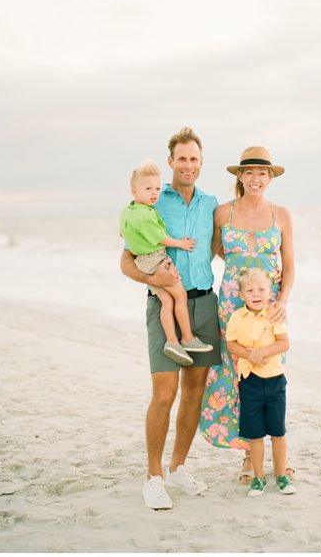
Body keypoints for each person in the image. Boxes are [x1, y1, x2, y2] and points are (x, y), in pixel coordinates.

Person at [120, 127, 221, 510]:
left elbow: (221, 248)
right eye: (182, 158)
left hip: (204, 304)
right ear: (171, 161)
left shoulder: (211, 204)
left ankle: (179, 467)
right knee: (164, 394)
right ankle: (153, 476)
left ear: (201, 162)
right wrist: (152, 279)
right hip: (163, 304)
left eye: (194, 158)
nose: (188, 164)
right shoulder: (150, 201)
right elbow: (126, 260)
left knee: (195, 393)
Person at [198, 145, 294, 484]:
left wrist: (281, 299)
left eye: (262, 173)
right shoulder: (224, 213)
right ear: (240, 176)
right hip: (231, 304)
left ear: (269, 178)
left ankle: (278, 455)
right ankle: (247, 458)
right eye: (249, 172)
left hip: (270, 307)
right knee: (239, 376)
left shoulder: (281, 214)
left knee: (271, 372)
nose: (256, 178)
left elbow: (291, 266)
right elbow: (212, 255)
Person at [120, 161, 213, 366]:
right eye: (148, 189)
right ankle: (187, 338)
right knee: (180, 296)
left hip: (143, 261)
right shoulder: (145, 215)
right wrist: (181, 244)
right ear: (134, 191)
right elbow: (161, 237)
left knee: (167, 301)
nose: (154, 193)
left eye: (156, 188)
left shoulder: (129, 211)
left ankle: (172, 341)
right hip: (156, 260)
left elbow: (122, 232)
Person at [224, 268, 296, 496]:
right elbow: (231, 344)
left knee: (278, 431)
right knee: (255, 434)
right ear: (242, 295)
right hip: (249, 381)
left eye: (262, 289)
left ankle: (282, 475)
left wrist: (263, 351)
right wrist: (250, 354)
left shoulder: (273, 314)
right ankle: (259, 477)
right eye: (250, 290)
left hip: (275, 380)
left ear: (269, 292)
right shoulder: (236, 317)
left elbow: (284, 343)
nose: (257, 294)